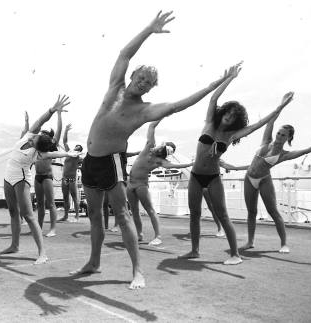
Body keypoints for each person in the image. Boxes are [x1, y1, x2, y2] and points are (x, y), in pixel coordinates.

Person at [71, 10, 238, 289]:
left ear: (149, 89)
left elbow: (176, 106)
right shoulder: (115, 87)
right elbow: (124, 53)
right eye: (142, 77)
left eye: (149, 82)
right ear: (133, 75)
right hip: (89, 160)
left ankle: (138, 271)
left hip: (111, 162)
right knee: (94, 215)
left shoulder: (144, 110)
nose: (143, 82)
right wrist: (149, 29)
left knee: (123, 216)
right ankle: (94, 262)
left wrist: (211, 86)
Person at [179, 60, 294, 265]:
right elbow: (214, 97)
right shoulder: (208, 123)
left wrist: (280, 107)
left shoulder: (231, 135)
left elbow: (259, 125)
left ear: (235, 121)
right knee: (194, 213)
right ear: (223, 112)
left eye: (233, 117)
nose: (229, 118)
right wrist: (229, 78)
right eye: (228, 113)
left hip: (213, 177)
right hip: (196, 176)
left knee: (222, 215)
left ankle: (235, 255)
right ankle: (194, 250)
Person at [0, 95, 82, 264]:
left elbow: (53, 153)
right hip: (8, 177)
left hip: (21, 180)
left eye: (35, 138)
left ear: (38, 146)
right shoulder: (29, 136)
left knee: (29, 216)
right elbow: (41, 120)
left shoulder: (38, 153)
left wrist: (67, 153)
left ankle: (42, 253)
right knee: (13, 212)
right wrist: (52, 109)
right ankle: (14, 245)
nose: (33, 136)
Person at [241, 115, 311, 253]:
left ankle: (284, 244)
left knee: (273, 212)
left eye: (283, 135)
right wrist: (282, 105)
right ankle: (250, 241)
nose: (279, 136)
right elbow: (270, 121)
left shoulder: (284, 154)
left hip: (264, 179)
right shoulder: (266, 140)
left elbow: (306, 151)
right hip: (249, 178)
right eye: (278, 133)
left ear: (288, 138)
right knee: (251, 212)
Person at [127, 120, 193, 246]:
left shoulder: (160, 160)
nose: (161, 150)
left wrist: (190, 164)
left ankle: (158, 236)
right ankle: (140, 234)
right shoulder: (149, 146)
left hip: (141, 184)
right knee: (134, 211)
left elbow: (174, 165)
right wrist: (162, 115)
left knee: (150, 210)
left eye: (166, 151)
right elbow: (151, 125)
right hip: (130, 184)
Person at [34, 113, 62, 237]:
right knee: (39, 204)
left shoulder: (50, 146)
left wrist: (59, 115)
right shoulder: (36, 147)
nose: (42, 136)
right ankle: (38, 227)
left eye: (44, 134)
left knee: (51, 204)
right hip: (37, 177)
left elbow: (59, 132)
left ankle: (53, 229)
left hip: (47, 176)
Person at [203, 159, 248, 237]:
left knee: (220, 208)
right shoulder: (201, 157)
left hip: (216, 183)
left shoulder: (216, 158)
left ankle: (226, 229)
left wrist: (245, 167)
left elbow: (230, 167)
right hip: (204, 184)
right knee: (211, 208)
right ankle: (220, 228)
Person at [59, 124, 84, 222]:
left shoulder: (79, 157)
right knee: (65, 198)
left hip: (72, 179)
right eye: (76, 146)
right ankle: (65, 216)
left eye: (78, 147)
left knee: (74, 197)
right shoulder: (69, 152)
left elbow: (85, 164)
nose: (76, 147)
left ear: (80, 150)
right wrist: (65, 130)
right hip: (64, 178)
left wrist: (79, 166)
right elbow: (65, 141)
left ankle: (77, 216)